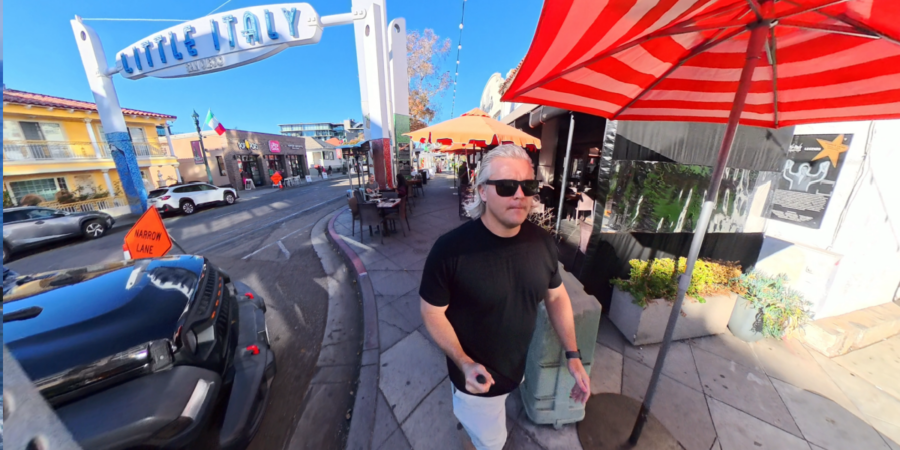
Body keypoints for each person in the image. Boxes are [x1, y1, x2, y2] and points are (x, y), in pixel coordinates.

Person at [420, 145, 590, 450]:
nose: (519, 195)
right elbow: (432, 312)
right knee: (491, 442)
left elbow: (556, 297)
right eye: (507, 186)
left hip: (516, 369)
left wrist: (573, 356)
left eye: (528, 186)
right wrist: (464, 362)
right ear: (482, 191)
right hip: (475, 381)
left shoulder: (543, 243)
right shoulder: (450, 251)